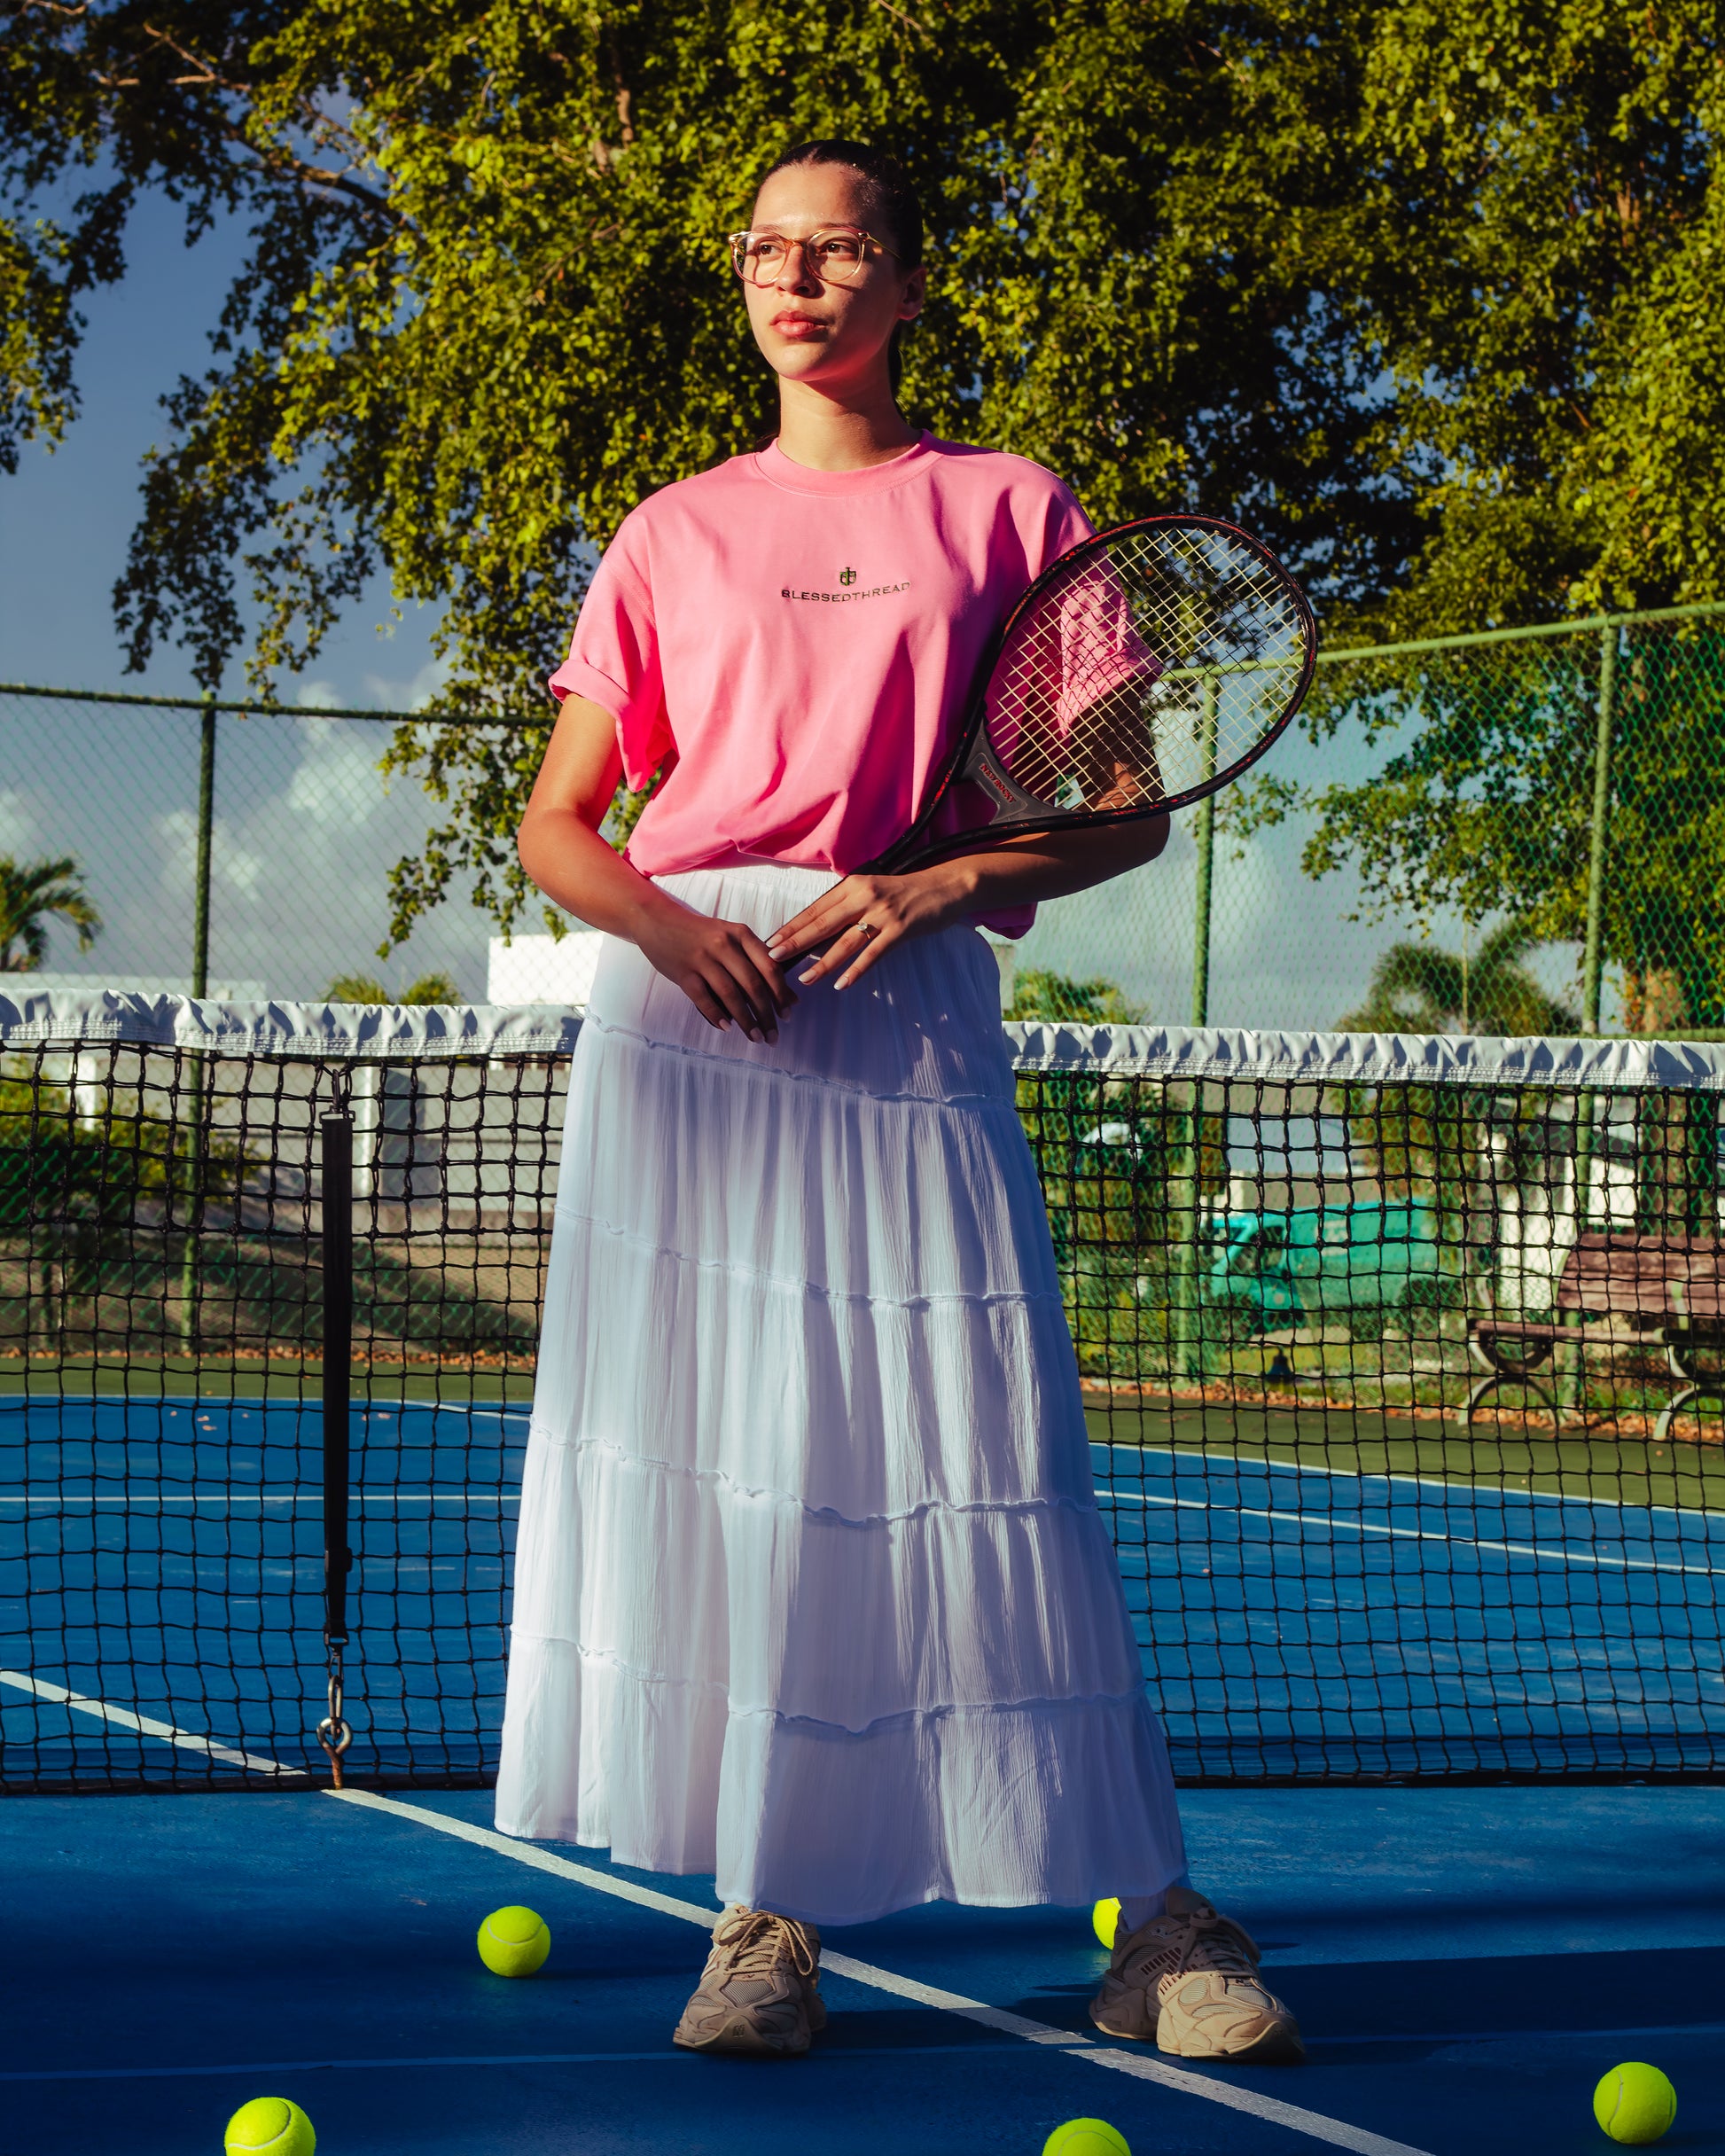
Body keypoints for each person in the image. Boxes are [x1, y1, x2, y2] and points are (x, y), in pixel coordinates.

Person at [495, 136, 1302, 2068]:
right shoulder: (668, 530)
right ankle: (763, 1914)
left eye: (840, 248)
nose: (797, 278)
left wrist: (940, 887)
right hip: (689, 1027)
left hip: (910, 1001)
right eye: (766, 248)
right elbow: (559, 824)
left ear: (909, 281)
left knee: (985, 1444)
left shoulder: (1014, 509)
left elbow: (1119, 809)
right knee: (733, 1459)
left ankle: (1156, 1918)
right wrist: (671, 926)